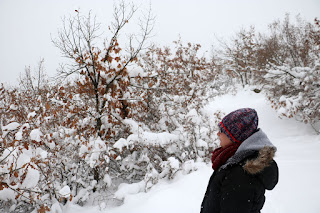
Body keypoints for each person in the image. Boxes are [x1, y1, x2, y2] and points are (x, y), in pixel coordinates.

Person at [200, 108, 278, 213]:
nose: (218, 134)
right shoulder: (233, 161)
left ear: (235, 137)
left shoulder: (239, 174)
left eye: (222, 131)